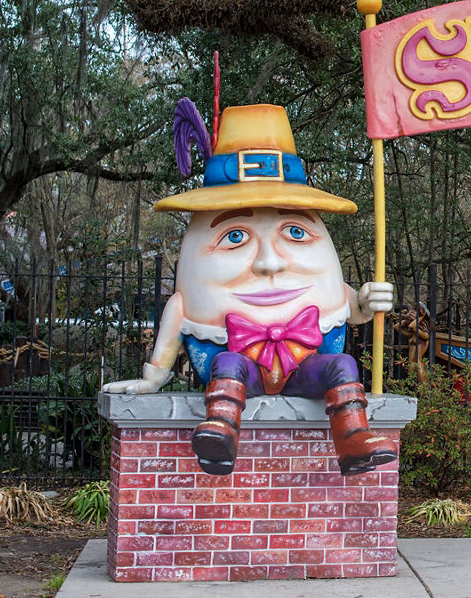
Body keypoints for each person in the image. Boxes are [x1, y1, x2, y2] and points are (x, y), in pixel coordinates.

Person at [103, 103, 397, 476]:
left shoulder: (323, 286)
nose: (269, 262)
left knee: (343, 364)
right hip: (245, 373)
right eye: (236, 236)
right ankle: (220, 432)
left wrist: (369, 301)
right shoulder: (192, 299)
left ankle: (353, 440)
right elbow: (177, 315)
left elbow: (353, 307)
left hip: (303, 372)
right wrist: (152, 379)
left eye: (294, 232)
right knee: (227, 362)